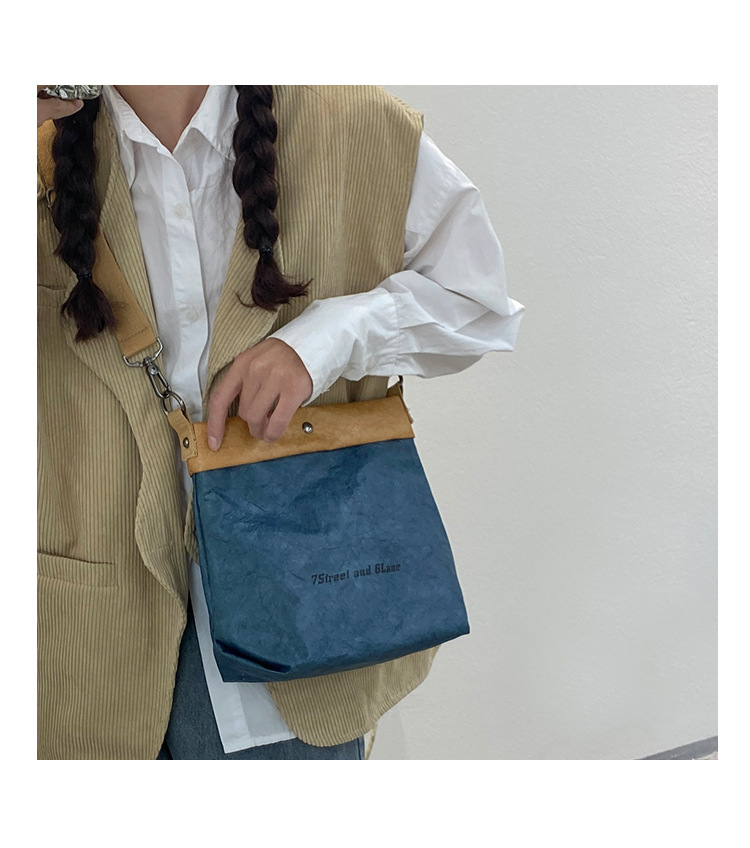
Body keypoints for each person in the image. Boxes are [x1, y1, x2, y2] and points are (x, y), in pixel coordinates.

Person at [37, 85, 524, 760]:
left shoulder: (354, 123)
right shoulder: (33, 143)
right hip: (77, 635)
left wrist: (327, 339)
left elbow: (478, 303)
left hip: (303, 623)